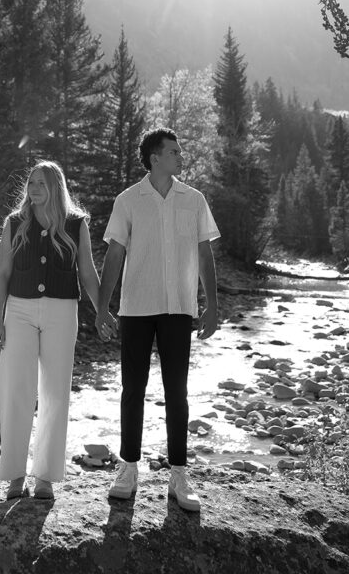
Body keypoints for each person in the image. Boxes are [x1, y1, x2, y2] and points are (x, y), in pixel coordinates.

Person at [95, 127, 220, 512]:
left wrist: (212, 305)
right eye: (174, 151)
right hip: (135, 309)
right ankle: (128, 469)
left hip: (180, 309)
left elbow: (204, 254)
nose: (181, 157)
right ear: (155, 158)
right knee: (132, 391)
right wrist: (102, 307)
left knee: (177, 394)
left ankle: (178, 476)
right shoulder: (128, 200)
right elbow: (114, 256)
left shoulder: (194, 200)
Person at [0, 160, 117, 501]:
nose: (34, 189)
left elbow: (88, 273)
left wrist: (102, 311)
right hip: (18, 311)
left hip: (63, 311)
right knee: (17, 389)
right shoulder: (15, 223)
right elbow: (2, 274)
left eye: (42, 184)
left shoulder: (76, 224)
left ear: (56, 188)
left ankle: (44, 477)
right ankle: (15, 476)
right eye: (31, 183)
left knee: (55, 393)